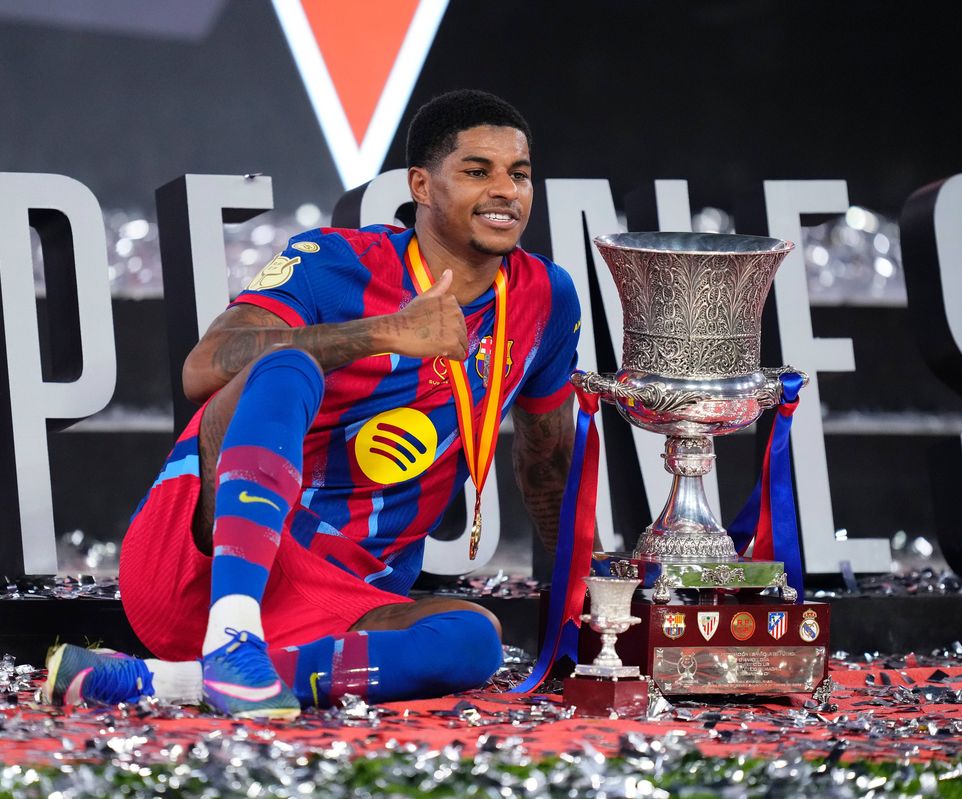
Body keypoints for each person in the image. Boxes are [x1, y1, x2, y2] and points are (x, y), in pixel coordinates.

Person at [42, 89, 581, 718]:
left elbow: (546, 458)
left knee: (472, 642)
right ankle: (232, 629)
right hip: (202, 560)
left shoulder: (544, 297)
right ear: (422, 186)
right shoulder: (335, 260)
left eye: (519, 174)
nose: (505, 191)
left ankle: (172, 682)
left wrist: (580, 598)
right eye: (476, 170)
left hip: (340, 601)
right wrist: (382, 332)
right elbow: (202, 367)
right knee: (284, 368)